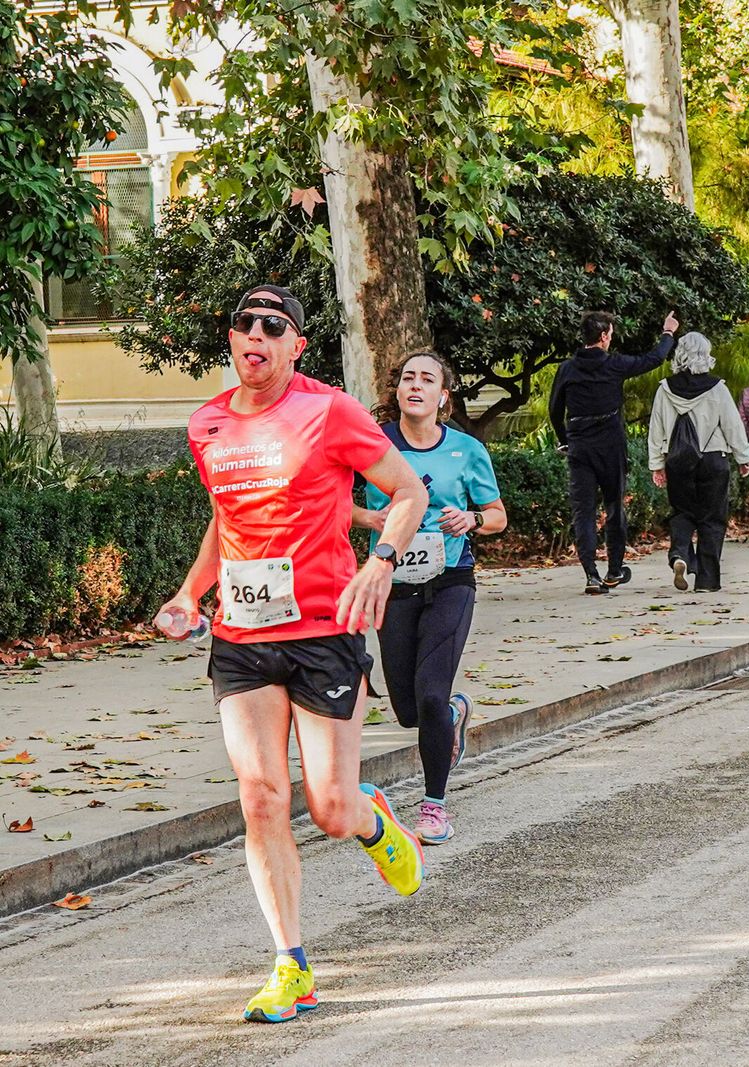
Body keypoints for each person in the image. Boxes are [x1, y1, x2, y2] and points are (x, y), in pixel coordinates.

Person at [156, 284, 429, 1023]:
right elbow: (226, 521)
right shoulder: (208, 424)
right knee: (261, 796)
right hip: (242, 636)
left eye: (273, 326)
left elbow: (407, 492)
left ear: (296, 345)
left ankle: (373, 821)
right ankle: (291, 965)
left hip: (323, 630)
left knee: (330, 808)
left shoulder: (329, 411)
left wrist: (381, 562)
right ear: (232, 337)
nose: (257, 333)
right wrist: (189, 593)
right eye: (244, 322)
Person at [355, 351, 506, 846]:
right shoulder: (373, 445)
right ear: (397, 390)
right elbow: (329, 500)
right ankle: (452, 716)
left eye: (427, 379)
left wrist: (472, 519)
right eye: (407, 378)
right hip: (394, 584)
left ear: (443, 396)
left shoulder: (466, 449)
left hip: (450, 580)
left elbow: (498, 515)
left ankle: (434, 805)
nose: (415, 386)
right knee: (408, 710)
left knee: (431, 692)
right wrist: (369, 518)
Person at [550, 310, 679, 594]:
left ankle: (591, 575)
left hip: (580, 447)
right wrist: (668, 332)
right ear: (604, 336)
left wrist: (564, 440)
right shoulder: (614, 364)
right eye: (610, 334)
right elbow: (653, 359)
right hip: (610, 446)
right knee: (614, 507)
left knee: (583, 511)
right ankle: (614, 570)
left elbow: (555, 410)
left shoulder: (567, 369)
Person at [647, 332, 749, 592]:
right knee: (712, 519)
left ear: (679, 355)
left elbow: (656, 429)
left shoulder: (664, 388)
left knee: (682, 512)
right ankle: (707, 580)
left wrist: (657, 464)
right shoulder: (717, 388)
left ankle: (680, 555)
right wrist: (744, 457)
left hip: (677, 460)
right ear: (705, 356)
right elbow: (732, 425)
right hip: (713, 459)